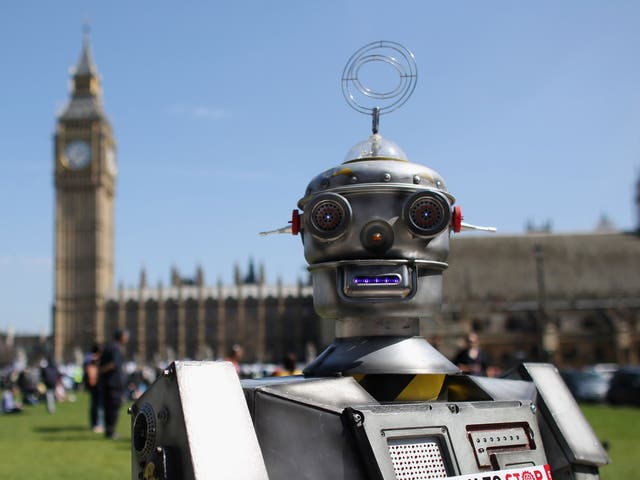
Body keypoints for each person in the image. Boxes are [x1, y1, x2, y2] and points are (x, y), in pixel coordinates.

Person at [99, 329, 129, 439]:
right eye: (126, 336)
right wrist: (101, 370)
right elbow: (114, 364)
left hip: (107, 383)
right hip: (114, 383)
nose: (127, 338)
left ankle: (108, 430)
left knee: (108, 408)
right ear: (121, 337)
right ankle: (111, 431)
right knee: (114, 408)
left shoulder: (108, 346)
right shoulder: (116, 348)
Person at [84, 344, 103, 433]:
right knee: (98, 405)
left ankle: (94, 423)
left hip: (92, 385)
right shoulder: (93, 359)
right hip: (96, 384)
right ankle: (98, 424)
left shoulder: (88, 358)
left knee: (94, 405)